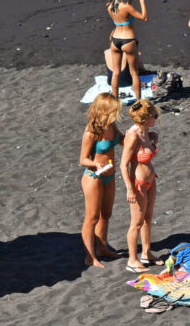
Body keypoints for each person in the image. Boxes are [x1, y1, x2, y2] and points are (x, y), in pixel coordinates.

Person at [78, 93, 123, 267]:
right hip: (94, 176)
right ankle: (90, 256)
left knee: (106, 214)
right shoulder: (91, 131)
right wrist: (96, 164)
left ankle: (102, 248)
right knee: (92, 217)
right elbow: (83, 159)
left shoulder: (111, 125)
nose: (116, 114)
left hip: (109, 175)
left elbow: (123, 141)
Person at [120, 99, 160, 273]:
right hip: (138, 183)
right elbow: (123, 164)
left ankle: (145, 252)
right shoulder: (133, 135)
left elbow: (149, 146)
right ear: (145, 118)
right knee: (136, 222)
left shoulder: (147, 132)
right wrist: (129, 188)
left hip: (151, 180)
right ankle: (132, 260)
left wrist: (153, 140)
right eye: (153, 115)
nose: (156, 117)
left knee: (148, 218)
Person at [106, 0, 148, 102]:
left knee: (116, 72)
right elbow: (144, 17)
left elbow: (124, 14)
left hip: (115, 40)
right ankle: (139, 101)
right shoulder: (126, 7)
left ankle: (115, 100)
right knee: (134, 73)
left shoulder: (110, 6)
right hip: (128, 40)